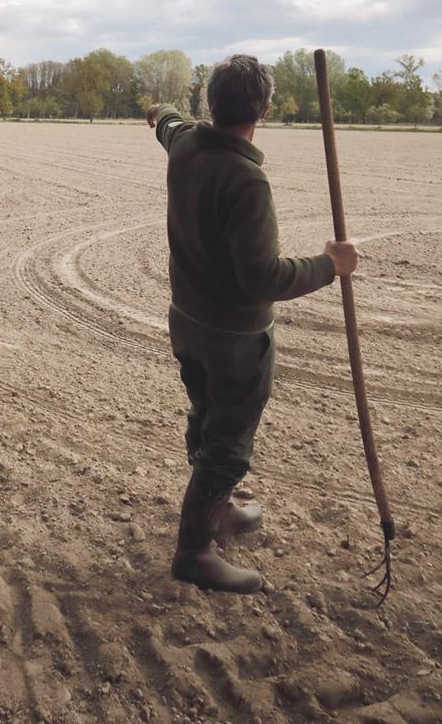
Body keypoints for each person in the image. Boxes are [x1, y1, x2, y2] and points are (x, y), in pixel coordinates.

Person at [146, 54, 358, 593]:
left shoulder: (186, 142)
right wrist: (328, 266)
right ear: (264, 109)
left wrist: (158, 110)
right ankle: (193, 550)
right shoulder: (246, 180)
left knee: (205, 415)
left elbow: (167, 122)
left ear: (210, 103)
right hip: (234, 341)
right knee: (228, 444)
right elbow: (262, 278)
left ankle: (215, 513)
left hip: (186, 323)